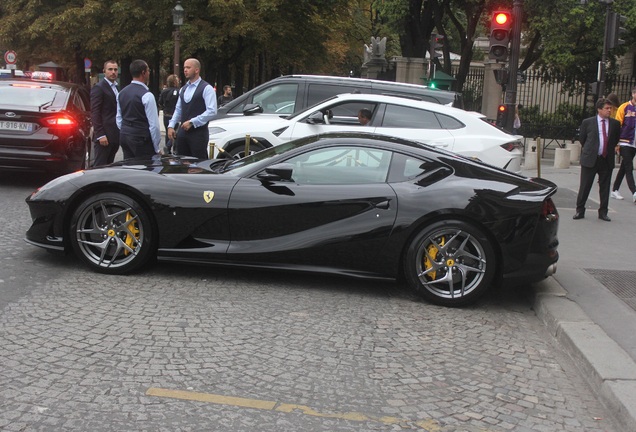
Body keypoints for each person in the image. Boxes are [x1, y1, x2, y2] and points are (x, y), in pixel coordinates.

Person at [573, 98, 620, 221]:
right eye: (607, 108)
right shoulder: (588, 122)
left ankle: (603, 212)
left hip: (606, 159)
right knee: (585, 186)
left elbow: (615, 139)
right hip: (591, 159)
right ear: (599, 109)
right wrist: (591, 150)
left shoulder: (615, 124)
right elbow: (582, 139)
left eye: (610, 108)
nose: (609, 110)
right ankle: (580, 210)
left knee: (605, 187)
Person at [167, 58, 217, 159]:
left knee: (198, 165)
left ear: (197, 70)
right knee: (181, 162)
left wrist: (193, 122)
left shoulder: (207, 88)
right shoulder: (183, 89)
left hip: (198, 134)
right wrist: (171, 125)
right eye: (184, 67)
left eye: (188, 67)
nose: (185, 70)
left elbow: (212, 111)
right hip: (182, 133)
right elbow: (178, 110)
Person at [116, 59, 161, 159]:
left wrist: (126, 130)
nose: (149, 73)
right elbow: (154, 126)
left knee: (129, 168)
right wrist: (156, 147)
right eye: (148, 71)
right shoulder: (147, 95)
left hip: (125, 135)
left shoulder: (121, 93)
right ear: (143, 73)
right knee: (145, 169)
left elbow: (119, 119)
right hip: (141, 138)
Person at [90, 60, 120, 166]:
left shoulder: (116, 88)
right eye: (110, 69)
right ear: (104, 71)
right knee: (100, 166)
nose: (113, 72)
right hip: (104, 136)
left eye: (115, 69)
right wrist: (100, 134)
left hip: (115, 135)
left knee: (109, 166)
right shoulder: (99, 88)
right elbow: (95, 112)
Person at [611, 87, 636, 203]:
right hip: (625, 142)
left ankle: (615, 190)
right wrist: (616, 143)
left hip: (634, 143)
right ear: (632, 94)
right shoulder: (624, 107)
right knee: (629, 167)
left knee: (624, 168)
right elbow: (617, 125)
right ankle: (634, 192)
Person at [158, 74, 180, 154]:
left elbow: (160, 103)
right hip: (174, 114)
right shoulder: (179, 91)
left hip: (166, 114)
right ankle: (172, 148)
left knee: (168, 132)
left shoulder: (164, 91)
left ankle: (167, 148)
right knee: (175, 132)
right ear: (175, 82)